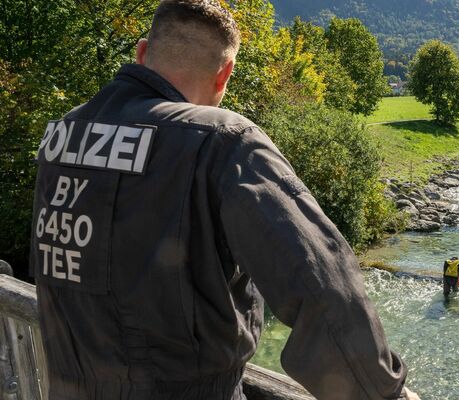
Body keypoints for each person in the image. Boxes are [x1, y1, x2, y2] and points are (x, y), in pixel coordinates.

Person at [28, 1, 420, 399]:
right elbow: (321, 281)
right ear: (225, 74)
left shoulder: (65, 134)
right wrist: (382, 392)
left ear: (142, 53)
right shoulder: (221, 141)